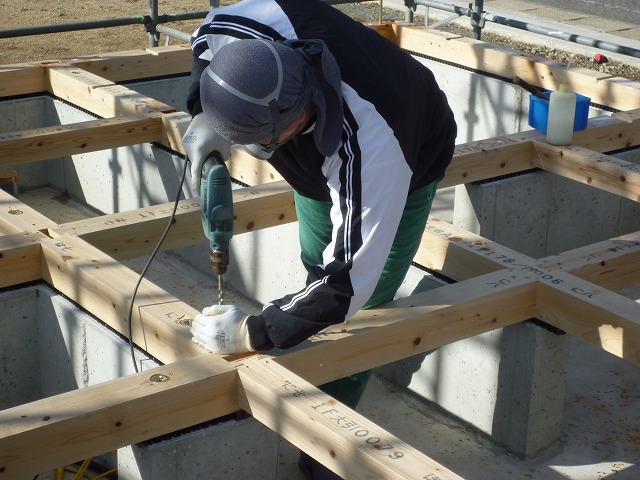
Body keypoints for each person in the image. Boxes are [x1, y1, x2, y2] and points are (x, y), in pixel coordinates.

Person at [182, 0, 456, 477]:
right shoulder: (250, 28)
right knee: (316, 263)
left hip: (414, 149)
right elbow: (206, 39)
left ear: (292, 122)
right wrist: (203, 110)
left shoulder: (374, 145)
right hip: (319, 163)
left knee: (364, 309)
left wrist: (254, 333)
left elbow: (347, 283)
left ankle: (327, 444)